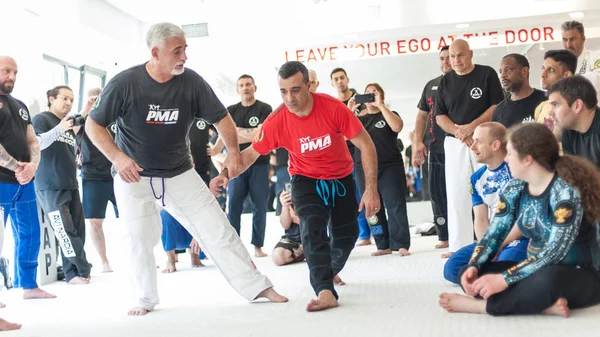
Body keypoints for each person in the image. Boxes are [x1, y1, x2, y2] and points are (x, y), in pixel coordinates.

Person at [85, 22, 287, 316]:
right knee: (137, 238)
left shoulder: (191, 82)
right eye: (176, 50)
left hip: (179, 172)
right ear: (155, 52)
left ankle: (257, 286)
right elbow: (93, 124)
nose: (184, 56)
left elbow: (222, 119)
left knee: (217, 228)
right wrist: (117, 158)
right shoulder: (124, 83)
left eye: (185, 50)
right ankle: (144, 298)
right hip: (134, 176)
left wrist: (232, 151)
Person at [212, 61, 380, 312]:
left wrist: (371, 189)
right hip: (304, 179)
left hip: (341, 177)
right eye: (283, 91)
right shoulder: (277, 120)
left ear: (309, 85)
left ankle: (328, 269)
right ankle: (324, 289)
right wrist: (225, 173)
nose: (289, 98)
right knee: (312, 228)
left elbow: (366, 145)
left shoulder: (333, 108)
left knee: (347, 236)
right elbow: (251, 153)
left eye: (295, 90)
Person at [439, 122, 600, 317]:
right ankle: (543, 306)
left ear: (527, 160)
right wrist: (475, 264)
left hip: (581, 273)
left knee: (546, 281)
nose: (506, 159)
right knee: (471, 274)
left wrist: (505, 279)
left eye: (510, 154)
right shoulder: (514, 188)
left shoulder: (565, 192)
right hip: (536, 267)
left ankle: (480, 307)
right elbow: (495, 233)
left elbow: (555, 252)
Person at [435, 39, 505, 257]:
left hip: (484, 139)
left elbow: (496, 106)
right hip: (456, 142)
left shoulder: (487, 74)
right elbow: (439, 116)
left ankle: (496, 241)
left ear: (471, 54)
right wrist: (461, 132)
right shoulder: (445, 81)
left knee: (490, 189)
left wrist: (472, 129)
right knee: (457, 193)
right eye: (451, 56)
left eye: (460, 55)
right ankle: (458, 246)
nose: (455, 60)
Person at [0, 55, 55, 303]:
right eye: (5, 71)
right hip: (2, 181)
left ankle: (29, 285)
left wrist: (32, 166)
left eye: (15, 72)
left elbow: (33, 140)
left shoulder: (20, 106)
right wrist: (17, 167)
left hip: (24, 183)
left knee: (31, 233)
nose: (11, 77)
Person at [443, 122, 528, 284]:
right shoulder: (476, 179)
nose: (472, 147)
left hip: (521, 236)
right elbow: (481, 219)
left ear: (495, 145)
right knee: (451, 268)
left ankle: (500, 276)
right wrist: (487, 249)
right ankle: (497, 277)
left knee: (505, 264)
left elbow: (525, 218)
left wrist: (500, 246)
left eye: (478, 142)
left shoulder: (518, 170)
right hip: (493, 238)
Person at [33, 86, 92, 285]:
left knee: (77, 229)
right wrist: (60, 128)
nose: (68, 103)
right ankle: (81, 269)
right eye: (64, 98)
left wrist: (85, 111)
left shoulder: (67, 124)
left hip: (70, 183)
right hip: (49, 184)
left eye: (71, 99)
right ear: (51, 98)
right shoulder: (41, 119)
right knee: (64, 230)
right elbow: (37, 144)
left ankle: (72, 272)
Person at [349, 83, 410, 256]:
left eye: (373, 93)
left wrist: (381, 105)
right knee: (372, 207)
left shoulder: (389, 114)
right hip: (364, 169)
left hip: (390, 166)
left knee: (395, 204)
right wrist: (349, 110)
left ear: (380, 95)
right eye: (366, 93)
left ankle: (401, 243)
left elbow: (397, 127)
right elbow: (344, 135)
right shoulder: (358, 120)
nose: (369, 96)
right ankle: (382, 244)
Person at [220, 74, 272, 257]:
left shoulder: (265, 108)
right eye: (241, 85)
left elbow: (262, 135)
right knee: (233, 205)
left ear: (254, 87)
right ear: (237, 90)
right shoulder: (231, 111)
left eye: (248, 84)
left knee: (260, 205)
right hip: (236, 165)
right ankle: (236, 248)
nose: (245, 87)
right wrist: (249, 133)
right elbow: (227, 135)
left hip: (260, 163)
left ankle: (258, 246)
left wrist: (238, 132)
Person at [413, 46, 452, 249]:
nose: (445, 62)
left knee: (463, 191)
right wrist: (417, 141)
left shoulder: (463, 83)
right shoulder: (431, 85)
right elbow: (421, 116)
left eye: (449, 58)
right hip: (435, 147)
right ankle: (443, 235)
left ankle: (470, 231)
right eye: (442, 58)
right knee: (437, 192)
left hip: (461, 146)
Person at [75, 87, 117, 273]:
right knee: (95, 221)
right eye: (94, 99)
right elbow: (72, 129)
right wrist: (86, 108)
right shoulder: (82, 120)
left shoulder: (114, 117)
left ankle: (140, 255)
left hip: (118, 174)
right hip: (92, 175)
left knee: (132, 217)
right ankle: (104, 262)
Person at [330, 67, 371, 246]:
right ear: (332, 83)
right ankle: (360, 233)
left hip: (361, 152)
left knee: (363, 192)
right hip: (341, 154)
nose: (340, 81)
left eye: (342, 78)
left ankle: (372, 233)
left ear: (347, 79)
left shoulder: (362, 102)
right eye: (336, 79)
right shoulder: (333, 105)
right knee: (349, 196)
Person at [548, 75, 600, 168]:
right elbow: (574, 174)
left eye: (555, 105)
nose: (550, 112)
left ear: (577, 106)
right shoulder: (569, 131)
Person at [492, 54, 546, 127]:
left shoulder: (545, 101)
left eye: (508, 70)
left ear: (524, 71)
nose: (502, 76)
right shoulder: (499, 110)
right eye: (501, 71)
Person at [535, 49, 577, 141]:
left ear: (566, 75)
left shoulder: (577, 107)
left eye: (551, 70)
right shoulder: (541, 107)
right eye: (543, 68)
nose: (543, 74)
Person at [561, 20, 600, 99]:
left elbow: (597, 80)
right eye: (565, 40)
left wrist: (570, 79)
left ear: (582, 39)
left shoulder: (596, 56)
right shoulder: (560, 63)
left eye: (572, 39)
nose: (568, 45)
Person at [272, 188, 305, 266]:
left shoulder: (315, 188)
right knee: (278, 257)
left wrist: (294, 217)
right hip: (293, 239)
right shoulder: (283, 193)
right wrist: (285, 207)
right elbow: (285, 225)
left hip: (316, 235)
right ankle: (304, 252)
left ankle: (307, 252)